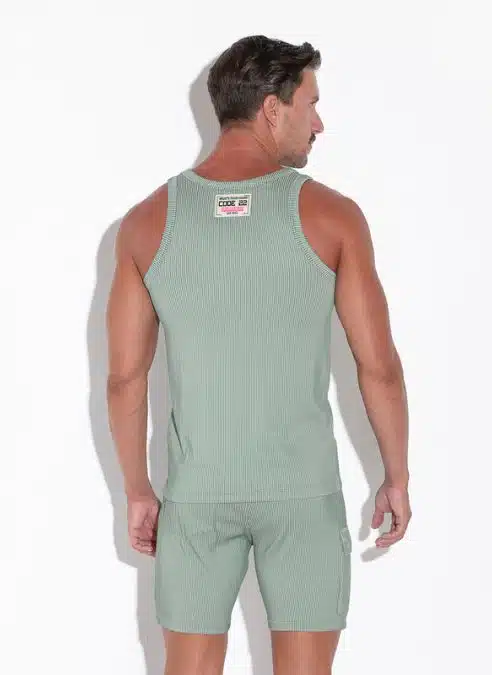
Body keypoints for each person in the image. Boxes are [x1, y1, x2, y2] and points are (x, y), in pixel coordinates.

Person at [106, 34, 411, 675]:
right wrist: (396, 475)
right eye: (311, 104)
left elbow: (125, 378)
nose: (318, 123)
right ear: (273, 108)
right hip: (302, 493)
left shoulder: (145, 223)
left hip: (197, 496)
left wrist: (137, 489)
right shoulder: (333, 217)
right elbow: (379, 366)